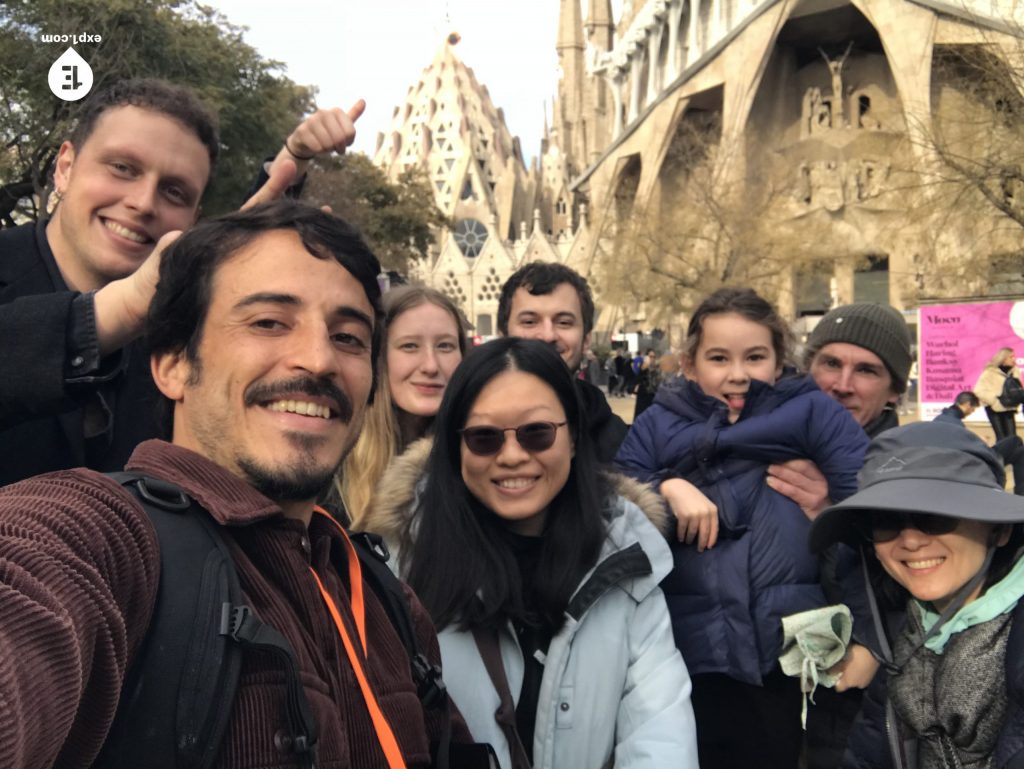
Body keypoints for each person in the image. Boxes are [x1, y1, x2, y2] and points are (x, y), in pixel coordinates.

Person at [0, 201, 470, 769]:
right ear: (172, 363)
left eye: (348, 337)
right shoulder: (105, 535)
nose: (319, 359)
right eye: (268, 321)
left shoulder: (384, 596)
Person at [0, 78, 363, 486]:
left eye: (175, 193)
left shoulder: (179, 330)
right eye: (122, 168)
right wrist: (115, 312)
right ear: (65, 167)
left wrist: (290, 164)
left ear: (193, 216)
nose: (142, 203)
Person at [360, 337, 699, 769]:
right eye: (484, 438)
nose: (513, 456)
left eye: (536, 433)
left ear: (573, 438)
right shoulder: (397, 565)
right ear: (456, 447)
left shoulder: (627, 555)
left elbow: (660, 730)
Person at [614, 287, 869, 769]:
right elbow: (614, 499)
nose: (737, 374)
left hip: (782, 655)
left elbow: (869, 509)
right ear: (690, 365)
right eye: (718, 358)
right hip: (687, 651)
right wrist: (665, 487)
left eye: (754, 357)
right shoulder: (657, 423)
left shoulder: (812, 412)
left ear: (778, 362)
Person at [808, 421, 1024, 769]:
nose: (910, 541)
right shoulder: (901, 628)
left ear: (998, 530)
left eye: (935, 516)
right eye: (886, 520)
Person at [766, 301, 913, 768]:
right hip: (757, 702)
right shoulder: (758, 443)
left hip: (852, 712)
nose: (842, 385)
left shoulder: (912, 478)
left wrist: (831, 519)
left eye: (866, 370)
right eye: (830, 363)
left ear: (894, 391)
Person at [340, 285, 467, 524]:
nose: (430, 366)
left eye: (445, 346)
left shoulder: (481, 454)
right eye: (410, 346)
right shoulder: (333, 465)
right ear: (379, 357)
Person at [497, 261, 627, 463]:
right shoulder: (464, 428)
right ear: (502, 335)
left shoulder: (619, 443)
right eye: (530, 321)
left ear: (586, 340)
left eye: (564, 322)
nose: (548, 336)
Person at [936, 390, 1024, 496]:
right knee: (1018, 448)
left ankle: (1021, 491)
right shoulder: (953, 422)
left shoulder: (945, 417)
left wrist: (975, 438)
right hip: (975, 461)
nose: (972, 411)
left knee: (1016, 443)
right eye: (973, 409)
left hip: (966, 457)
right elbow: (963, 447)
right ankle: (1021, 492)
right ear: (968, 405)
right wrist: (979, 442)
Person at [974, 347, 1022, 442]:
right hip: (994, 409)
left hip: (1009, 407)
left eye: (1014, 357)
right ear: (1003, 359)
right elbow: (978, 391)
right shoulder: (989, 372)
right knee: (1001, 437)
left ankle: (1012, 456)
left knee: (1012, 437)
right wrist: (995, 400)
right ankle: (1000, 456)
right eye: (1011, 357)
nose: (1014, 359)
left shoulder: (1014, 371)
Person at [633, 348, 660, 419]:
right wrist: (643, 369)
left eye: (654, 357)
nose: (652, 359)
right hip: (643, 395)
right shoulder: (643, 367)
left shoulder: (657, 368)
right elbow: (637, 379)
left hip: (653, 395)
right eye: (650, 356)